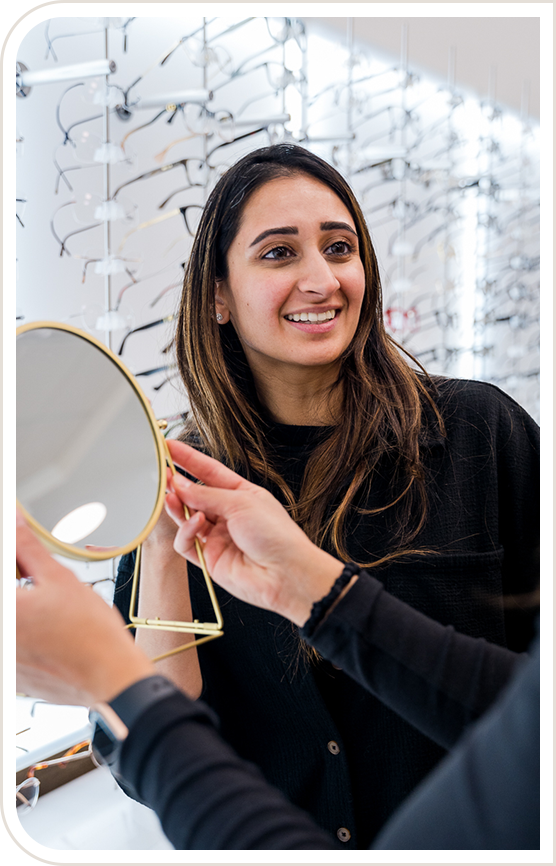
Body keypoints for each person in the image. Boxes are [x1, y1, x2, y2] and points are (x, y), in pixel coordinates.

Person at [114, 143, 539, 846]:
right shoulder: (180, 483)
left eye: (339, 248)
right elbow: (146, 755)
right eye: (279, 254)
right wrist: (162, 549)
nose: (321, 279)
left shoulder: (478, 433)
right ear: (217, 295)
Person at [16, 448, 540, 849]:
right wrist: (311, 591)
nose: (319, 295)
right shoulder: (187, 504)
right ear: (217, 300)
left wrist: (118, 684)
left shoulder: (484, 433)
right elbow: (525, 708)